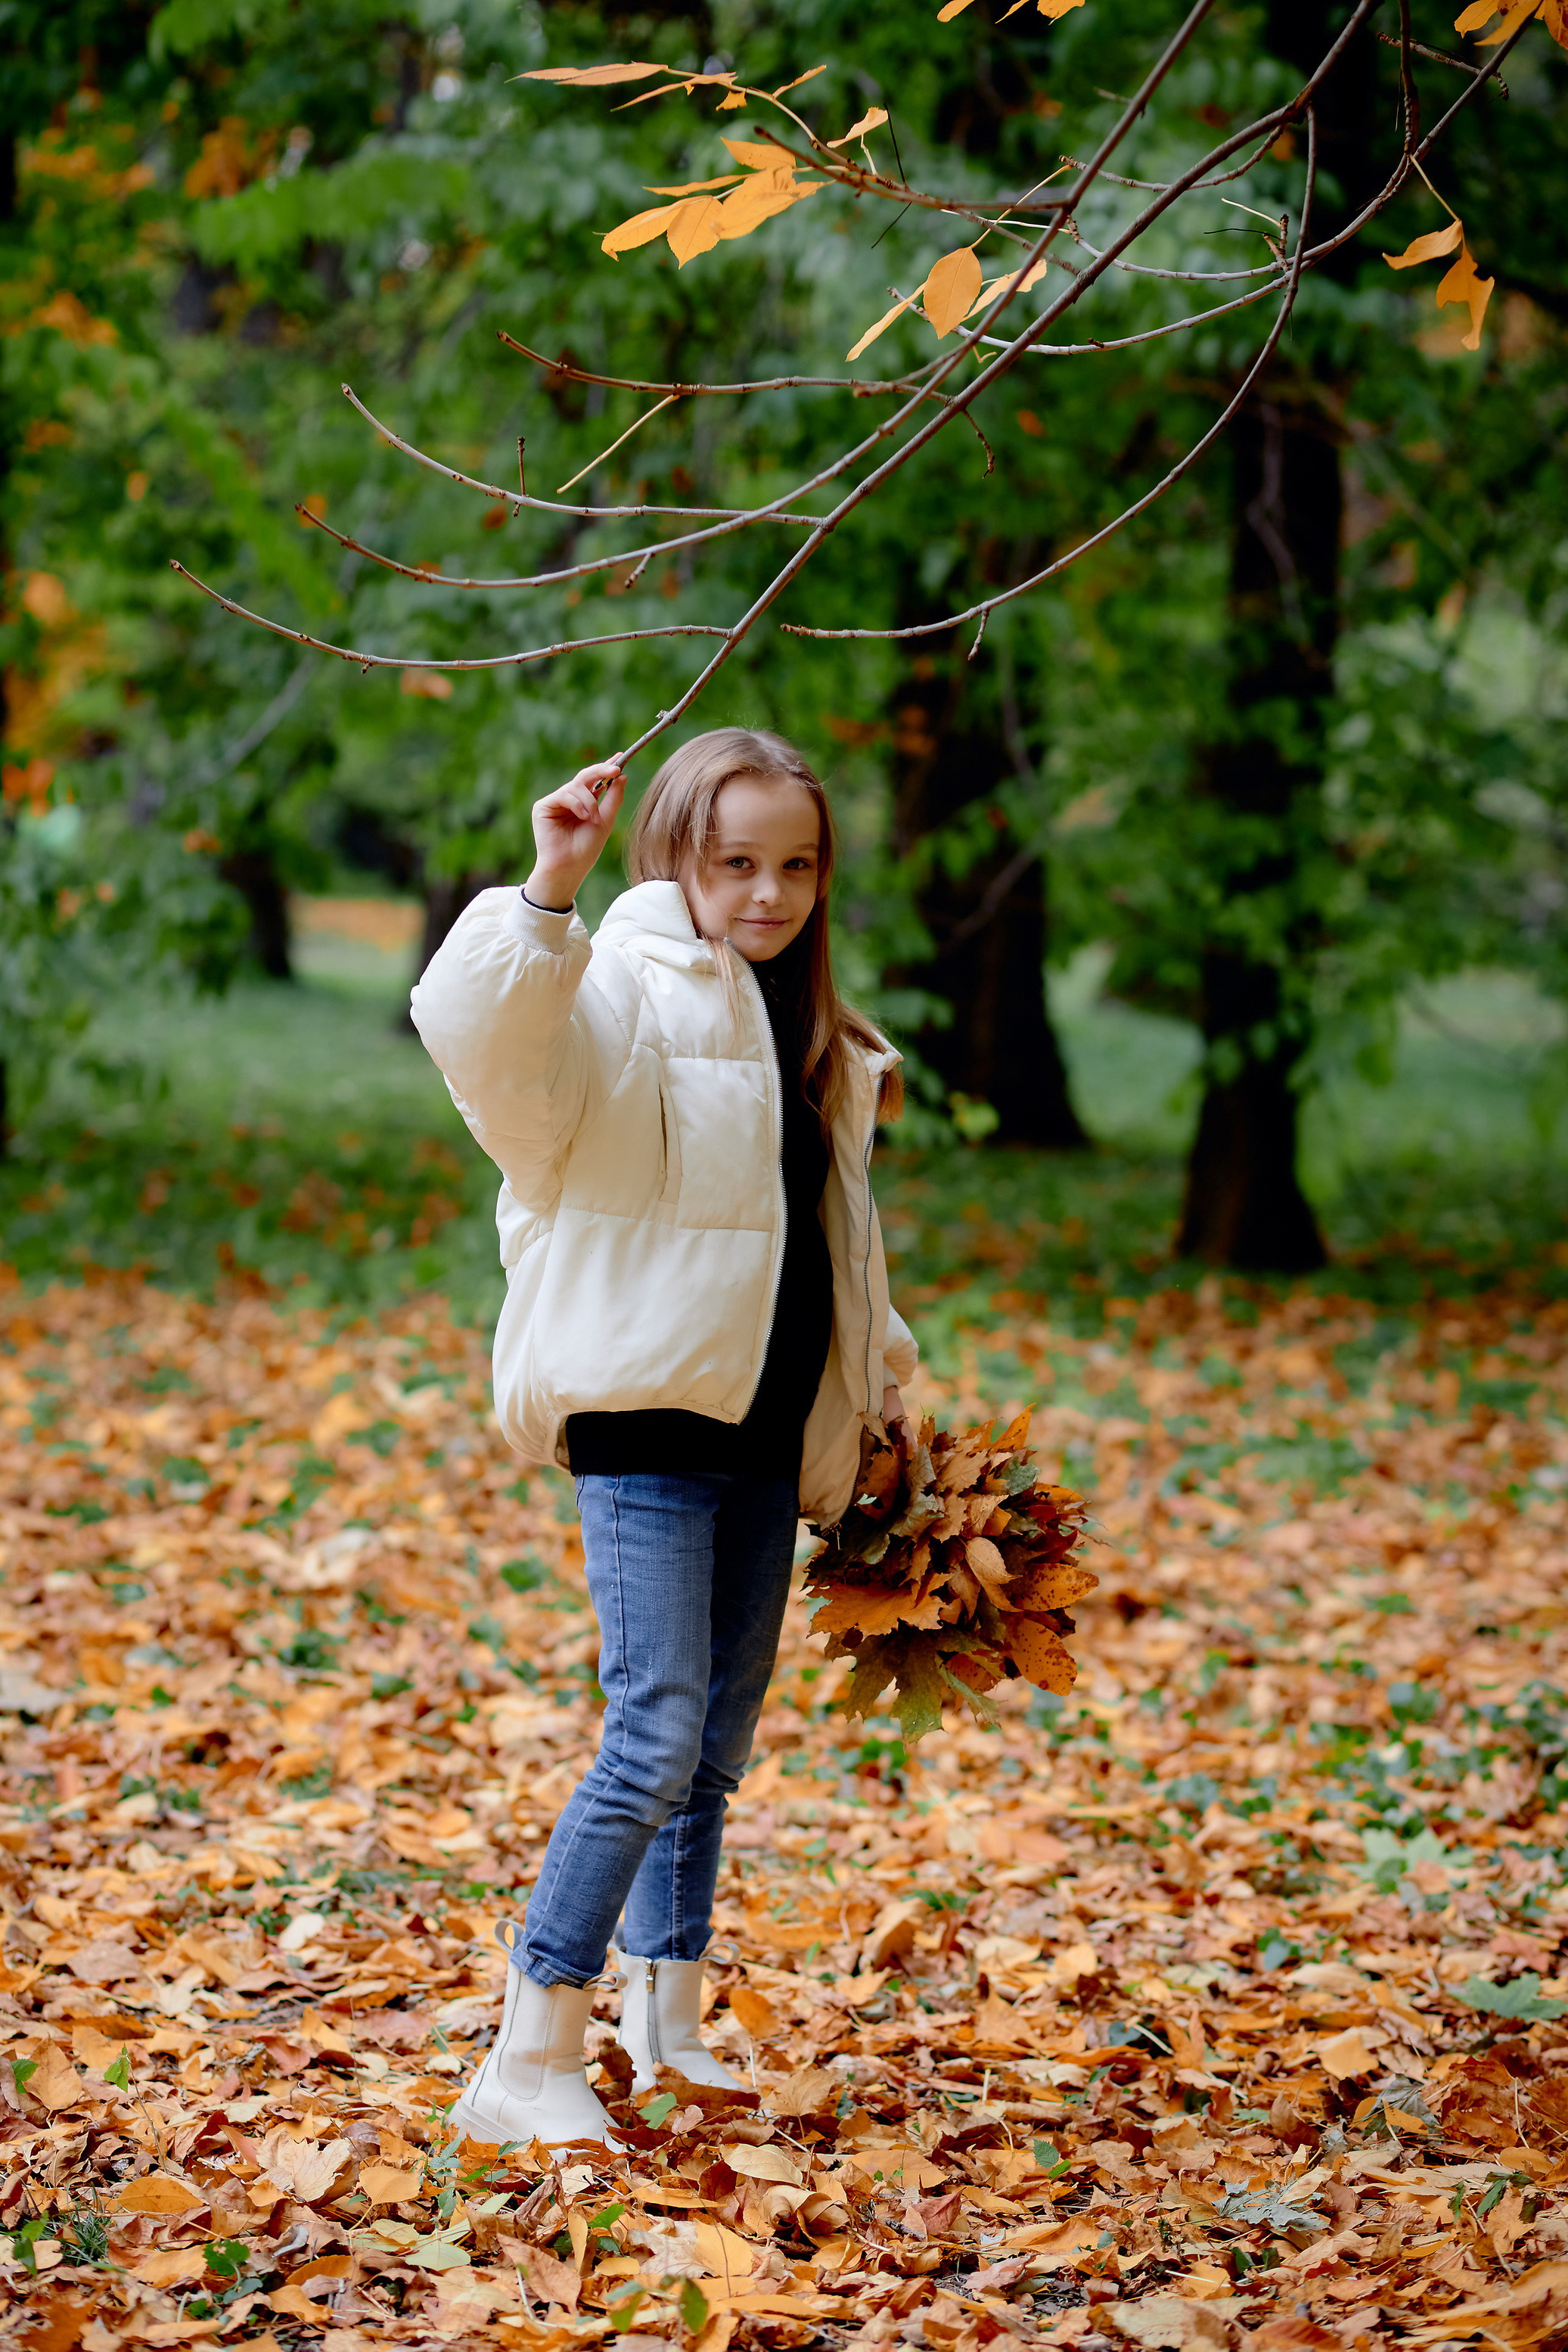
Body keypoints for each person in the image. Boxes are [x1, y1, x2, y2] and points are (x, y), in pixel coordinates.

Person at [409, 725, 918, 2147]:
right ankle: (528, 2050)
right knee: (652, 1733)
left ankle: (665, 2025)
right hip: (644, 1413)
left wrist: (883, 1391)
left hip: (765, 1420)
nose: (768, 891)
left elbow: (829, 1244)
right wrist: (544, 892)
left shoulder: (799, 1016)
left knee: (712, 1750)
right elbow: (489, 1053)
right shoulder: (618, 983)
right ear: (677, 855)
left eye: (796, 864)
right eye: (736, 860)